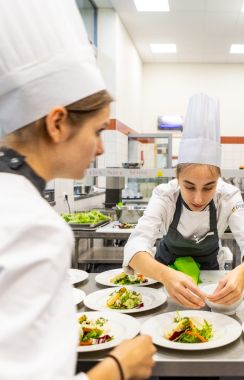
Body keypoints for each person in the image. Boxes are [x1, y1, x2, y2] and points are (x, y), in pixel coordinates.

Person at [0, 1, 155, 379]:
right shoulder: (32, 226)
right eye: (98, 131)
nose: (101, 148)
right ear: (57, 123)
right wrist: (120, 367)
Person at [123, 93, 244, 308]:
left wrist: (241, 273)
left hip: (212, 285)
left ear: (218, 180)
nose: (198, 198)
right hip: (163, 283)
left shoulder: (228, 195)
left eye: (209, 186)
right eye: (189, 186)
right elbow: (136, 245)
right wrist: (165, 275)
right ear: (177, 178)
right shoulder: (165, 195)